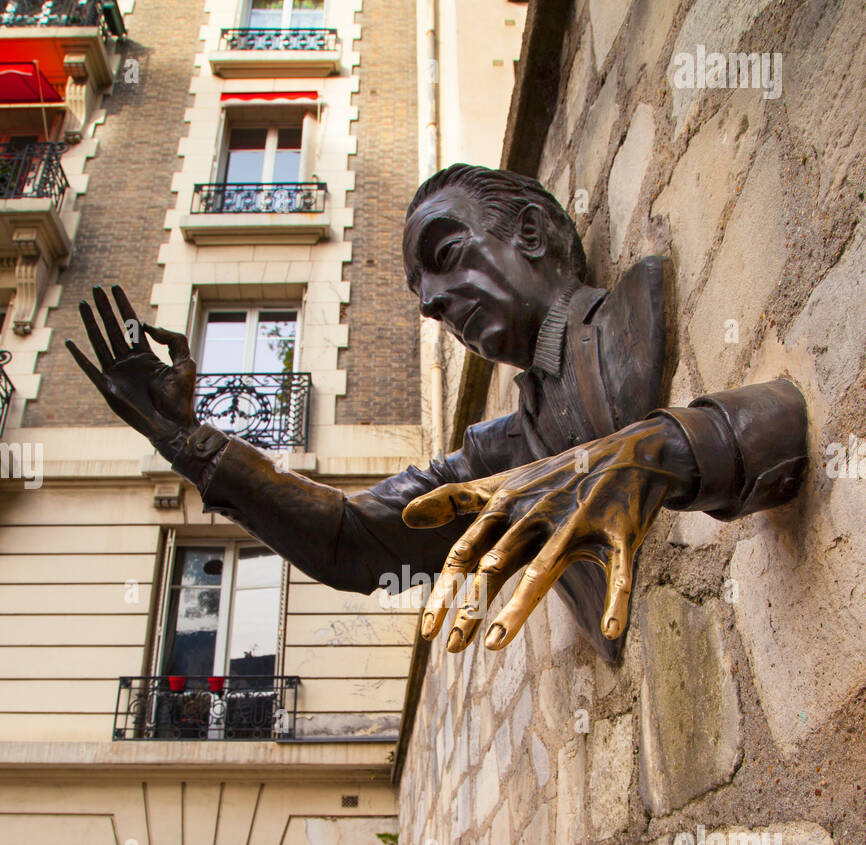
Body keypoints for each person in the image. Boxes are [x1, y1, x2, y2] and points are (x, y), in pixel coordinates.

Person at [66, 164, 808, 661]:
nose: (429, 302)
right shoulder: (501, 454)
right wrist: (188, 441)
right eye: (422, 291)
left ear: (532, 233)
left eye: (446, 252)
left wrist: (658, 453)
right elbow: (353, 540)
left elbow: (779, 421)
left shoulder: (634, 316)